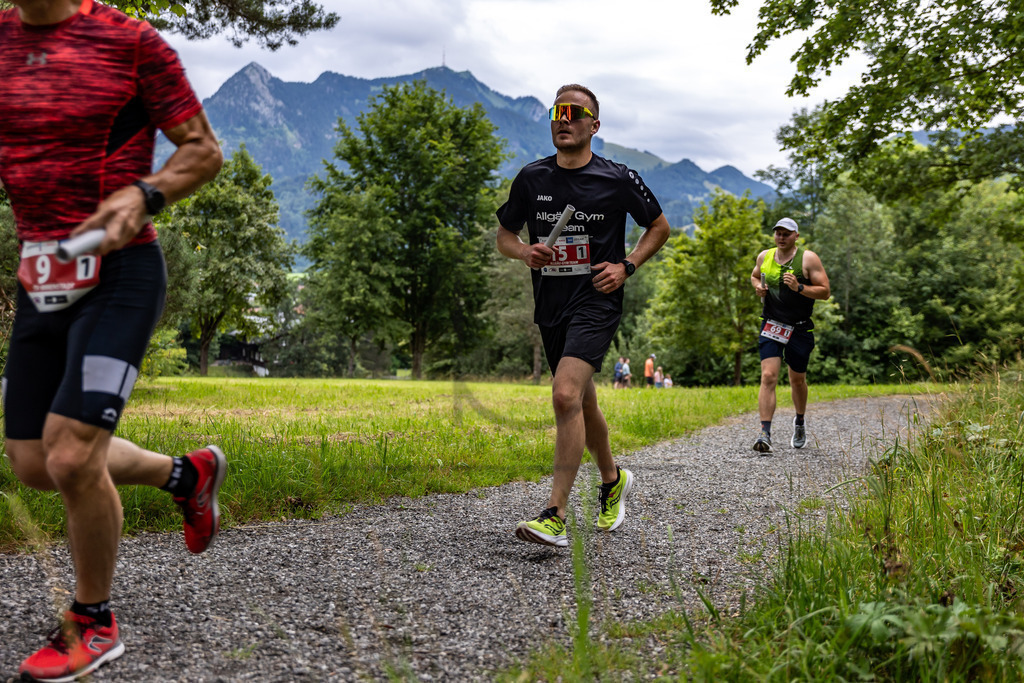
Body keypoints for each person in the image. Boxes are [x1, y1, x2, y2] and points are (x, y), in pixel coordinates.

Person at [0, 1, 225, 680]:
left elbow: (202, 150)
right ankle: (186, 473)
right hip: (41, 271)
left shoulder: (130, 41)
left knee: (72, 456)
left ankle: (92, 621)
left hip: (121, 271)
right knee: (34, 462)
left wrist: (146, 194)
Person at [496, 83, 670, 546]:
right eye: (557, 112)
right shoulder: (532, 178)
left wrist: (627, 266)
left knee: (564, 393)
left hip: (597, 298)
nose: (564, 119)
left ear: (594, 125)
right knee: (581, 401)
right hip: (551, 305)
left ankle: (554, 513)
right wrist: (524, 253)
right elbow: (505, 235)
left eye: (575, 113)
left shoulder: (616, 178)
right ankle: (613, 481)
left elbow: (659, 226)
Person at [750, 217, 831, 453]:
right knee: (768, 376)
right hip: (772, 324)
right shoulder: (764, 256)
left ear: (796, 235)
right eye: (778, 233)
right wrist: (757, 286)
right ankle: (765, 432)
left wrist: (800, 287)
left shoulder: (808, 259)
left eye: (786, 233)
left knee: (797, 380)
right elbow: (755, 275)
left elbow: (825, 291)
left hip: (799, 327)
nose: (781, 237)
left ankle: (800, 421)